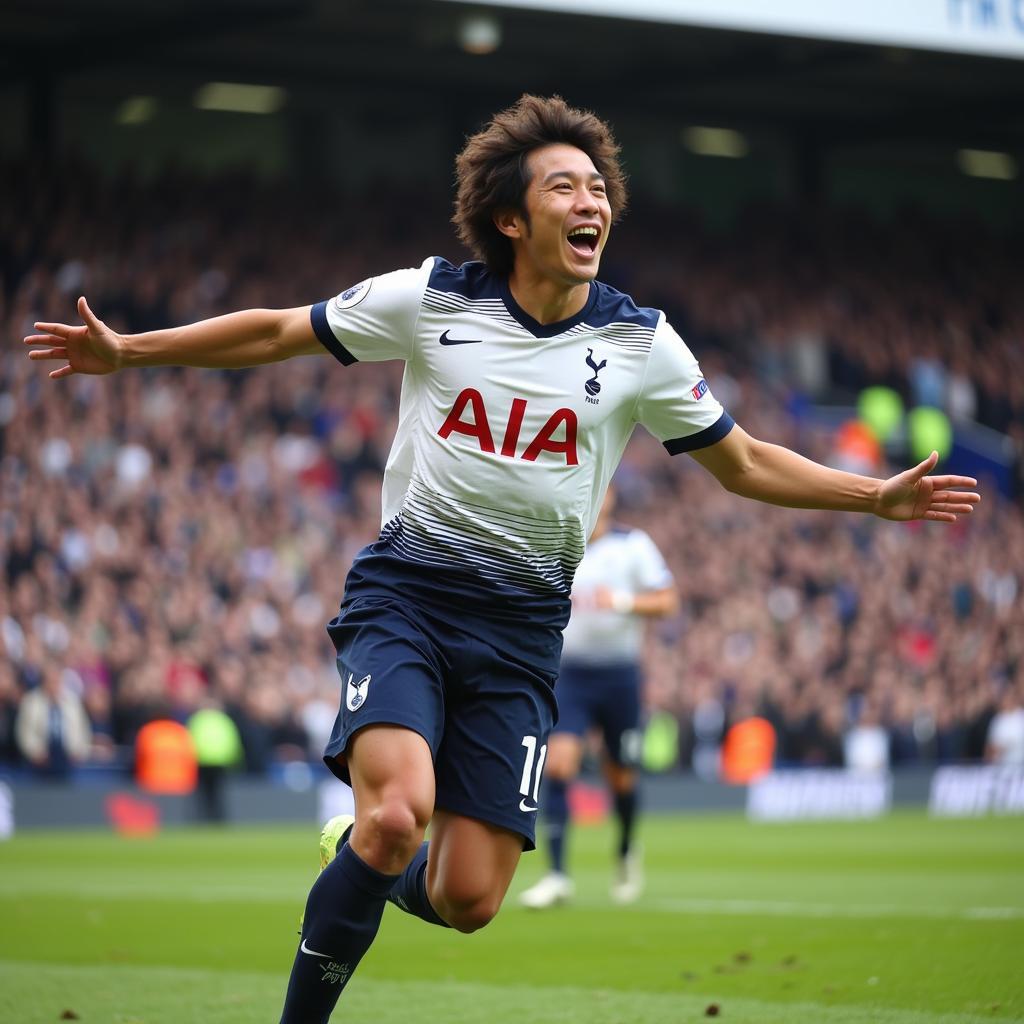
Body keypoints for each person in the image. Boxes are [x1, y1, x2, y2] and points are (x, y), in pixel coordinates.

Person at [25, 94, 980, 1024]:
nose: (593, 201)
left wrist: (875, 495)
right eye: (566, 187)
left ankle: (356, 857)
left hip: (524, 633)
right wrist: (131, 351)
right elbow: (281, 329)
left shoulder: (640, 341)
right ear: (512, 218)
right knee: (400, 813)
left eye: (600, 186)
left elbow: (745, 461)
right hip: (409, 598)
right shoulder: (430, 299)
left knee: (470, 899)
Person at [520, 486, 678, 909]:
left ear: (611, 497)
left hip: (620, 676)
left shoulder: (633, 545)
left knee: (621, 775)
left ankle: (626, 850)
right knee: (560, 763)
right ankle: (556, 875)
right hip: (570, 673)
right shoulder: (557, 543)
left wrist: (623, 601)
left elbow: (667, 601)